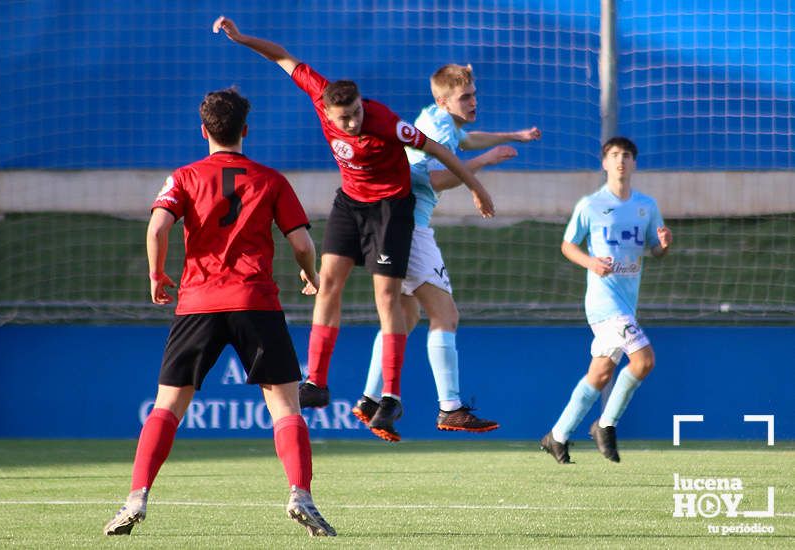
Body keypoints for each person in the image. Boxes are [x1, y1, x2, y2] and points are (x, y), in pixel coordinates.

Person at [214, 16, 495, 443]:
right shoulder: (318, 92)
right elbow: (282, 57)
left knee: (390, 300)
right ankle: (317, 383)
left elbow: (435, 148)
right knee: (329, 283)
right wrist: (241, 38)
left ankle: (389, 396)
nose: (352, 124)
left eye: (357, 114)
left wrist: (477, 188)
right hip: (350, 202)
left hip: (391, 210)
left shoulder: (385, 121)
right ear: (326, 109)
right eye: (344, 118)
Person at [104, 88, 335, 537]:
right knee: (285, 406)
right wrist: (310, 275)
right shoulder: (270, 179)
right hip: (255, 301)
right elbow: (303, 242)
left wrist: (156, 274)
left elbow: (157, 227)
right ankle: (300, 494)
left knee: (168, 405)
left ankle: (137, 497)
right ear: (245, 130)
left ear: (204, 130)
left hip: (198, 303)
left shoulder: (185, 176)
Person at [351, 64, 541, 433]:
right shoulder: (437, 127)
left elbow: (465, 139)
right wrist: (481, 168)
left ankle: (370, 399)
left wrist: (513, 136)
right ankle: (450, 407)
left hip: (394, 223)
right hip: (412, 226)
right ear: (443, 99)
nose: (473, 102)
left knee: (405, 319)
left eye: (474, 94)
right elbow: (431, 178)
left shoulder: (437, 118)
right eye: (465, 97)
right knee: (446, 314)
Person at [540, 136, 672, 464]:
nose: (620, 161)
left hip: (627, 302)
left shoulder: (647, 206)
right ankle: (606, 425)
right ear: (604, 162)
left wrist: (664, 245)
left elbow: (655, 250)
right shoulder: (591, 205)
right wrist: (592, 262)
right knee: (644, 361)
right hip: (603, 302)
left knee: (599, 375)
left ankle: (556, 436)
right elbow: (568, 245)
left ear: (634, 163)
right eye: (614, 155)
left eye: (626, 155)